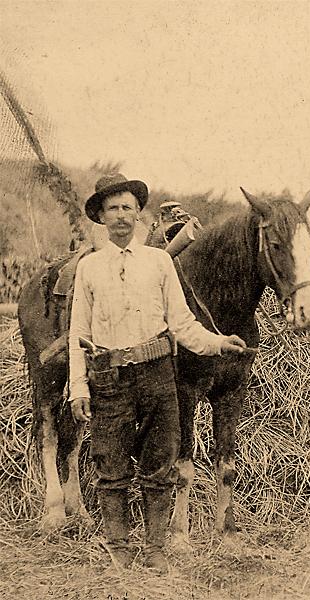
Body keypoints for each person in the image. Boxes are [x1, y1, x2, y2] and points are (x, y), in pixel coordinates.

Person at [68, 173, 248, 573]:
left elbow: (182, 325)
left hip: (157, 375)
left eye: (127, 208)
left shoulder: (160, 261)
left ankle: (155, 550)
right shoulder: (90, 268)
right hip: (109, 378)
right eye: (112, 208)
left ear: (138, 214)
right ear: (100, 216)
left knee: (159, 466)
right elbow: (78, 333)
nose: (120, 216)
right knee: (111, 468)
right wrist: (78, 386)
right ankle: (117, 549)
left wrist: (218, 344)